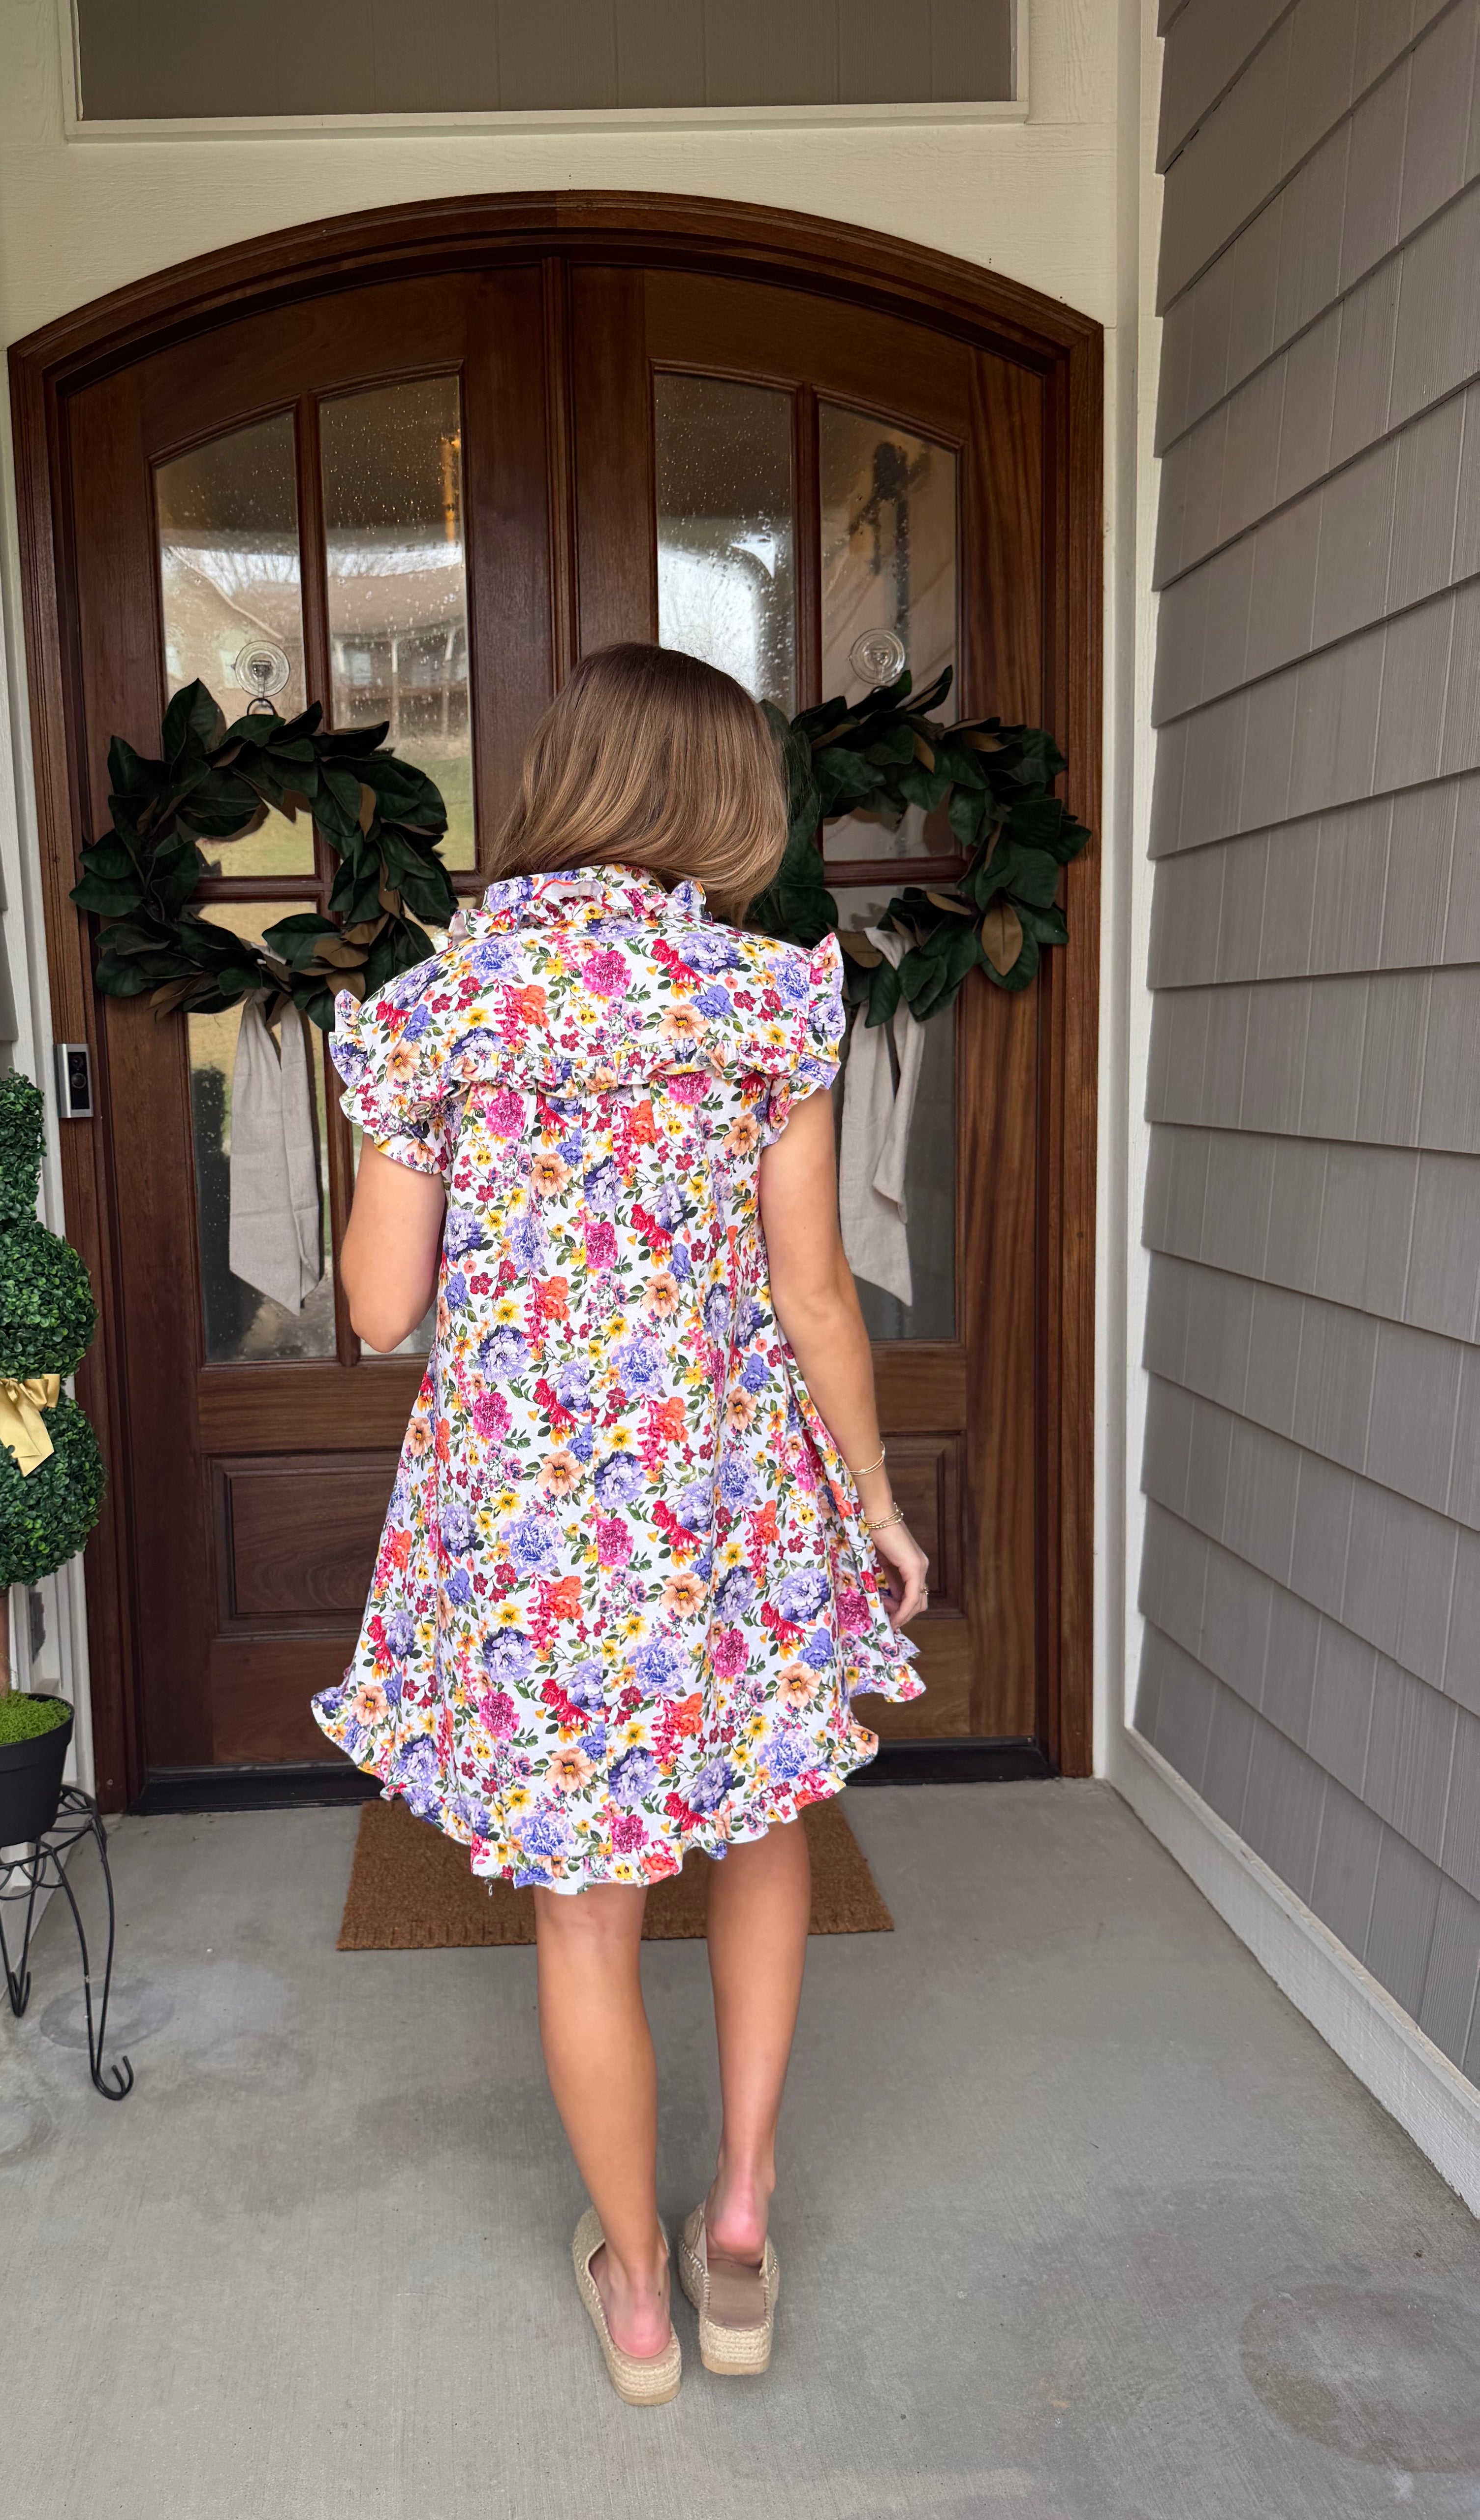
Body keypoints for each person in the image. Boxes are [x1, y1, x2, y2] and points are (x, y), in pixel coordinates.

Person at [314, 642, 929, 2404]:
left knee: (584, 1911)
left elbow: (373, 1310)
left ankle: (642, 2299)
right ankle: (738, 2217)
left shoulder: (439, 1006)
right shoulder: (761, 1000)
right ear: (723, 800)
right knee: (761, 1819)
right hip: (723, 1499)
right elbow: (815, 1295)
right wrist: (873, 1501)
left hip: (528, 1519)